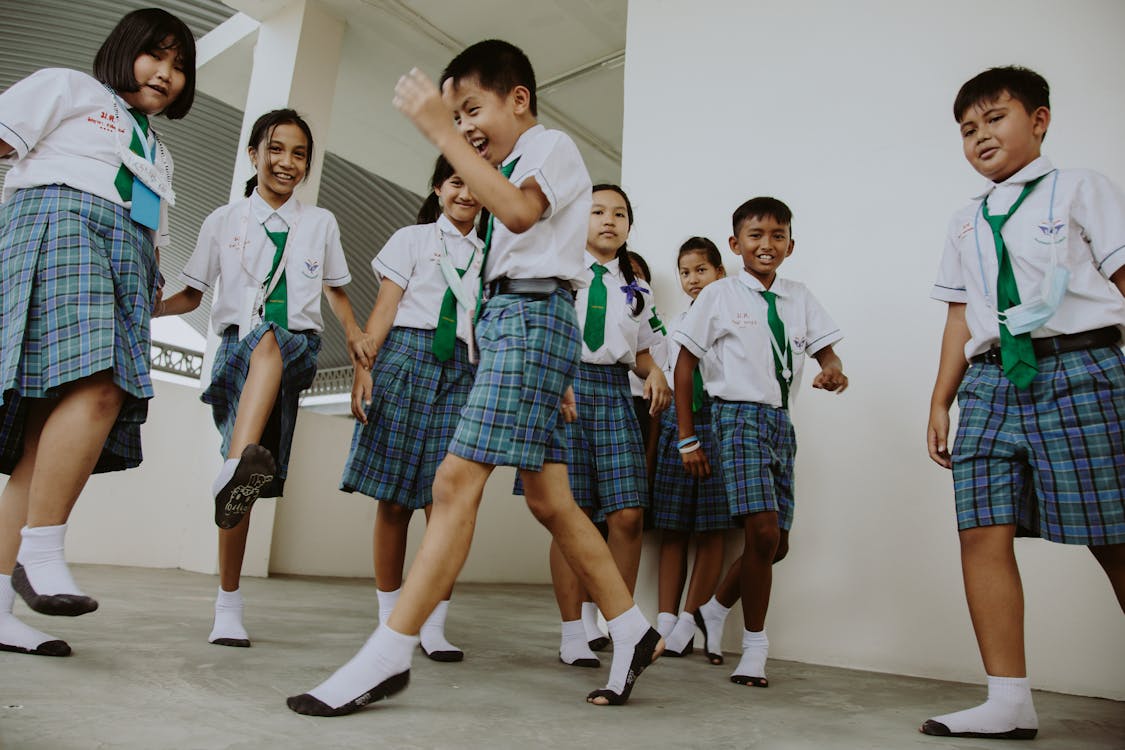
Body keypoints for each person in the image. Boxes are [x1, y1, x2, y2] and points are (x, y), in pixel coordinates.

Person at [288, 39, 663, 716]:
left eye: (470, 109)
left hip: (530, 319)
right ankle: (632, 629)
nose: (462, 128)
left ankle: (388, 653)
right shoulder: (505, 166)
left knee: (453, 482)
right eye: (454, 117)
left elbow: (521, 215)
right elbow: (508, 248)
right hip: (515, 328)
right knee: (552, 502)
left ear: (517, 99)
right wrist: (552, 371)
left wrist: (434, 128)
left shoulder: (550, 147)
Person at [923, 65, 1125, 740]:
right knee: (980, 525)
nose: (979, 135)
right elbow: (959, 318)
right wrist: (939, 400)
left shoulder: (1078, 190)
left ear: (1039, 120)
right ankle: (1007, 698)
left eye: (994, 118)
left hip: (1079, 367)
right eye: (966, 128)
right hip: (988, 381)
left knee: (1113, 531)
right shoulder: (964, 220)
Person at [0, 8, 195, 656]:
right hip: (61, 225)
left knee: (38, 448)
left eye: (178, 66)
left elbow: (155, 244)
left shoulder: (160, 153)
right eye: (155, 56)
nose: (165, 74)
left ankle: (0, 605)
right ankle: (42, 550)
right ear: (123, 50)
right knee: (102, 389)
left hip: (126, 264)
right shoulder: (69, 88)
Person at [160, 108, 373, 647]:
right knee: (243, 493)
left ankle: (233, 462)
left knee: (274, 338)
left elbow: (337, 292)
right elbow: (191, 295)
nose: (286, 161)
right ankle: (227, 607)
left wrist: (356, 341)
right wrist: (143, 308)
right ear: (253, 155)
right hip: (235, 351)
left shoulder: (320, 223)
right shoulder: (222, 221)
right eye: (276, 149)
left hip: (297, 348)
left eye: (299, 153)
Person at [674, 197, 847, 687]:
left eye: (777, 236)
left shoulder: (799, 296)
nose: (766, 244)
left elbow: (827, 356)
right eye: (755, 236)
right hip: (736, 419)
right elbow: (685, 365)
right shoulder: (719, 296)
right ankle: (754, 648)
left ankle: (713, 607)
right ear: (735, 245)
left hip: (779, 423)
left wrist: (833, 373)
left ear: (791, 245)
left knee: (777, 543)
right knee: (764, 532)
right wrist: (688, 439)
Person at [339, 155, 484, 662]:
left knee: (446, 504)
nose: (465, 193)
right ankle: (389, 620)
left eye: (474, 184)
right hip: (405, 357)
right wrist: (364, 365)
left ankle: (434, 625)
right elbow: (386, 306)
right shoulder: (412, 239)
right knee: (395, 501)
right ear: (439, 188)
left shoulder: (492, 255)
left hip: (464, 372)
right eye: (455, 182)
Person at [545, 184, 671, 669]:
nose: (608, 220)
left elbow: (640, 351)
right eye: (597, 211)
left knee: (628, 515)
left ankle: (620, 625)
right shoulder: (558, 269)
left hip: (616, 394)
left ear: (629, 227)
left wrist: (654, 372)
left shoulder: (636, 288)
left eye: (619, 214)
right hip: (565, 389)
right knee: (569, 515)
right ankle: (572, 631)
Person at [651, 237, 732, 661]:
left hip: (717, 425)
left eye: (701, 269)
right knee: (673, 526)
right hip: (677, 427)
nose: (693, 279)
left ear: (720, 272)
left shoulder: (732, 320)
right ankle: (665, 619)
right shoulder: (676, 322)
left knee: (712, 528)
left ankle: (689, 620)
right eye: (685, 272)